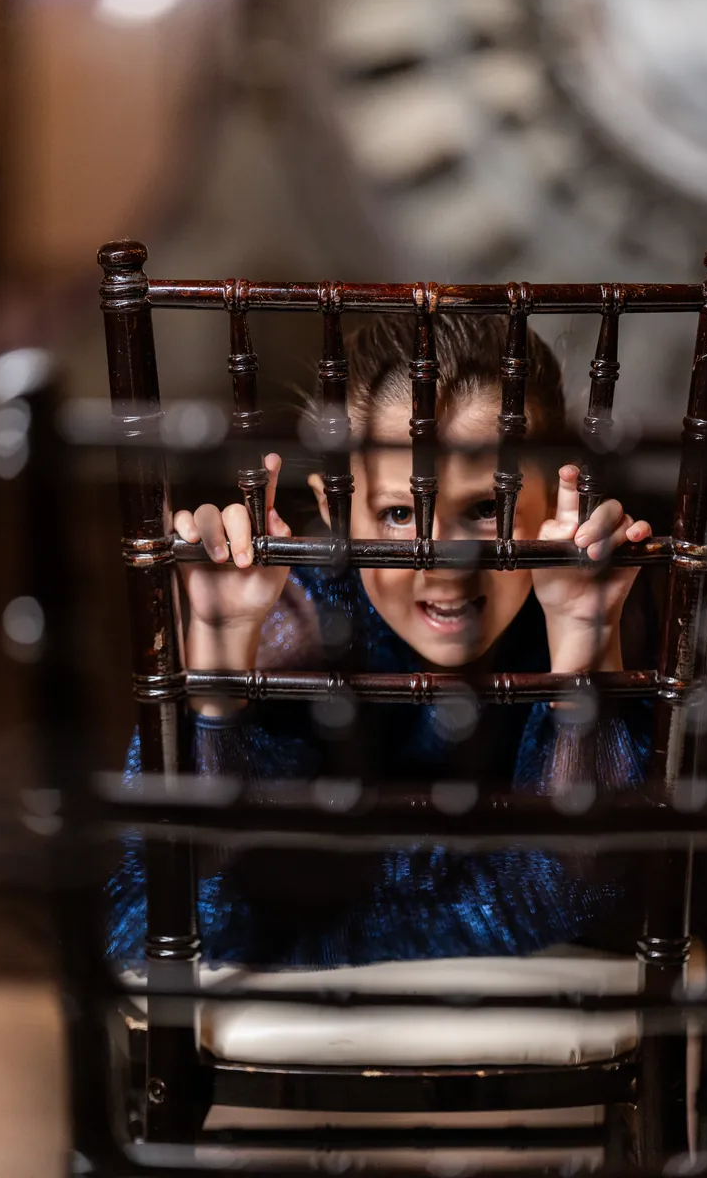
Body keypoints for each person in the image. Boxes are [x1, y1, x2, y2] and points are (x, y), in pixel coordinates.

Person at [109, 314, 653, 969]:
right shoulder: (294, 624)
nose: (445, 565)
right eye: (399, 514)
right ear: (336, 509)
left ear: (562, 491)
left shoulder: (591, 592)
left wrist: (580, 658)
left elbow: (611, 905)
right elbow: (153, 928)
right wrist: (222, 682)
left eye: (485, 508)